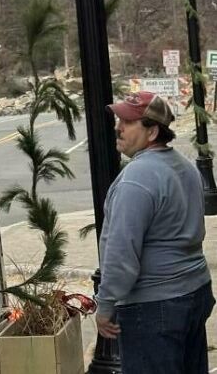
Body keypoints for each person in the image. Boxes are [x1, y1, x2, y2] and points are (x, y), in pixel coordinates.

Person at [96, 91, 214, 373]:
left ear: (152, 131)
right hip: (195, 291)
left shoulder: (136, 179)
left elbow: (121, 253)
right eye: (119, 119)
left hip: (153, 306)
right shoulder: (186, 167)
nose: (118, 127)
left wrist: (105, 305)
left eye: (128, 121)